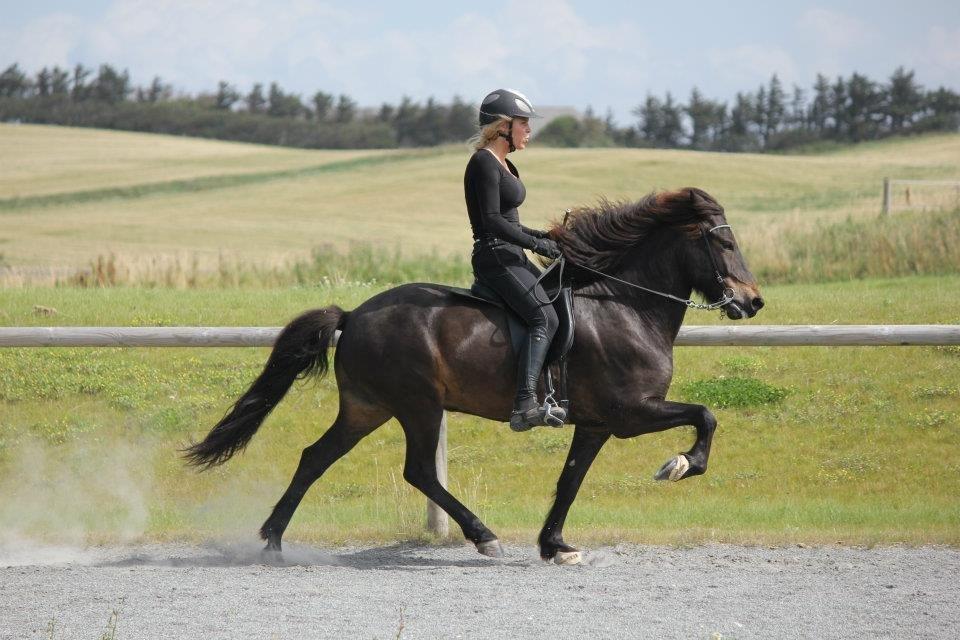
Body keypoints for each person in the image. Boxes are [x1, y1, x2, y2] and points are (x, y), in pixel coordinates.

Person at [463, 88, 566, 432]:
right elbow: (492, 221)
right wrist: (535, 245)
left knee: (557, 300)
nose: (529, 131)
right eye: (524, 124)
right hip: (495, 256)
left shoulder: (506, 164)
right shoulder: (483, 162)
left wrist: (543, 239)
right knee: (544, 318)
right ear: (503, 126)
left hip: (510, 251)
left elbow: (513, 225)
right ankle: (524, 405)